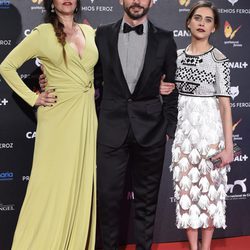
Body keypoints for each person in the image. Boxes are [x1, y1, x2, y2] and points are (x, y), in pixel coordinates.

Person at [0, 0, 98, 249]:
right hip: (57, 118)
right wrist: (34, 97)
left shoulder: (89, 32)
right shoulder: (43, 34)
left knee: (80, 179)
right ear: (51, 3)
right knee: (50, 183)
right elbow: (7, 67)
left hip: (86, 114)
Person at [94, 0, 178, 249]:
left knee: (146, 202)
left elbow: (173, 88)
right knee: (108, 201)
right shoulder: (102, 34)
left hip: (151, 131)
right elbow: (91, 79)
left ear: (152, 1)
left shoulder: (165, 39)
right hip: (111, 130)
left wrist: (168, 129)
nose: (137, 1)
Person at [160, 1, 233, 250]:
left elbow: (224, 105)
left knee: (210, 192)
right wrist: (163, 88)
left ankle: (206, 247)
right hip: (183, 133)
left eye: (208, 20)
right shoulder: (176, 57)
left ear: (214, 28)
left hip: (210, 132)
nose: (202, 23)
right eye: (198, 18)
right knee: (186, 191)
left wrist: (229, 147)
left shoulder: (219, 59)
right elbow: (170, 93)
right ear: (188, 22)